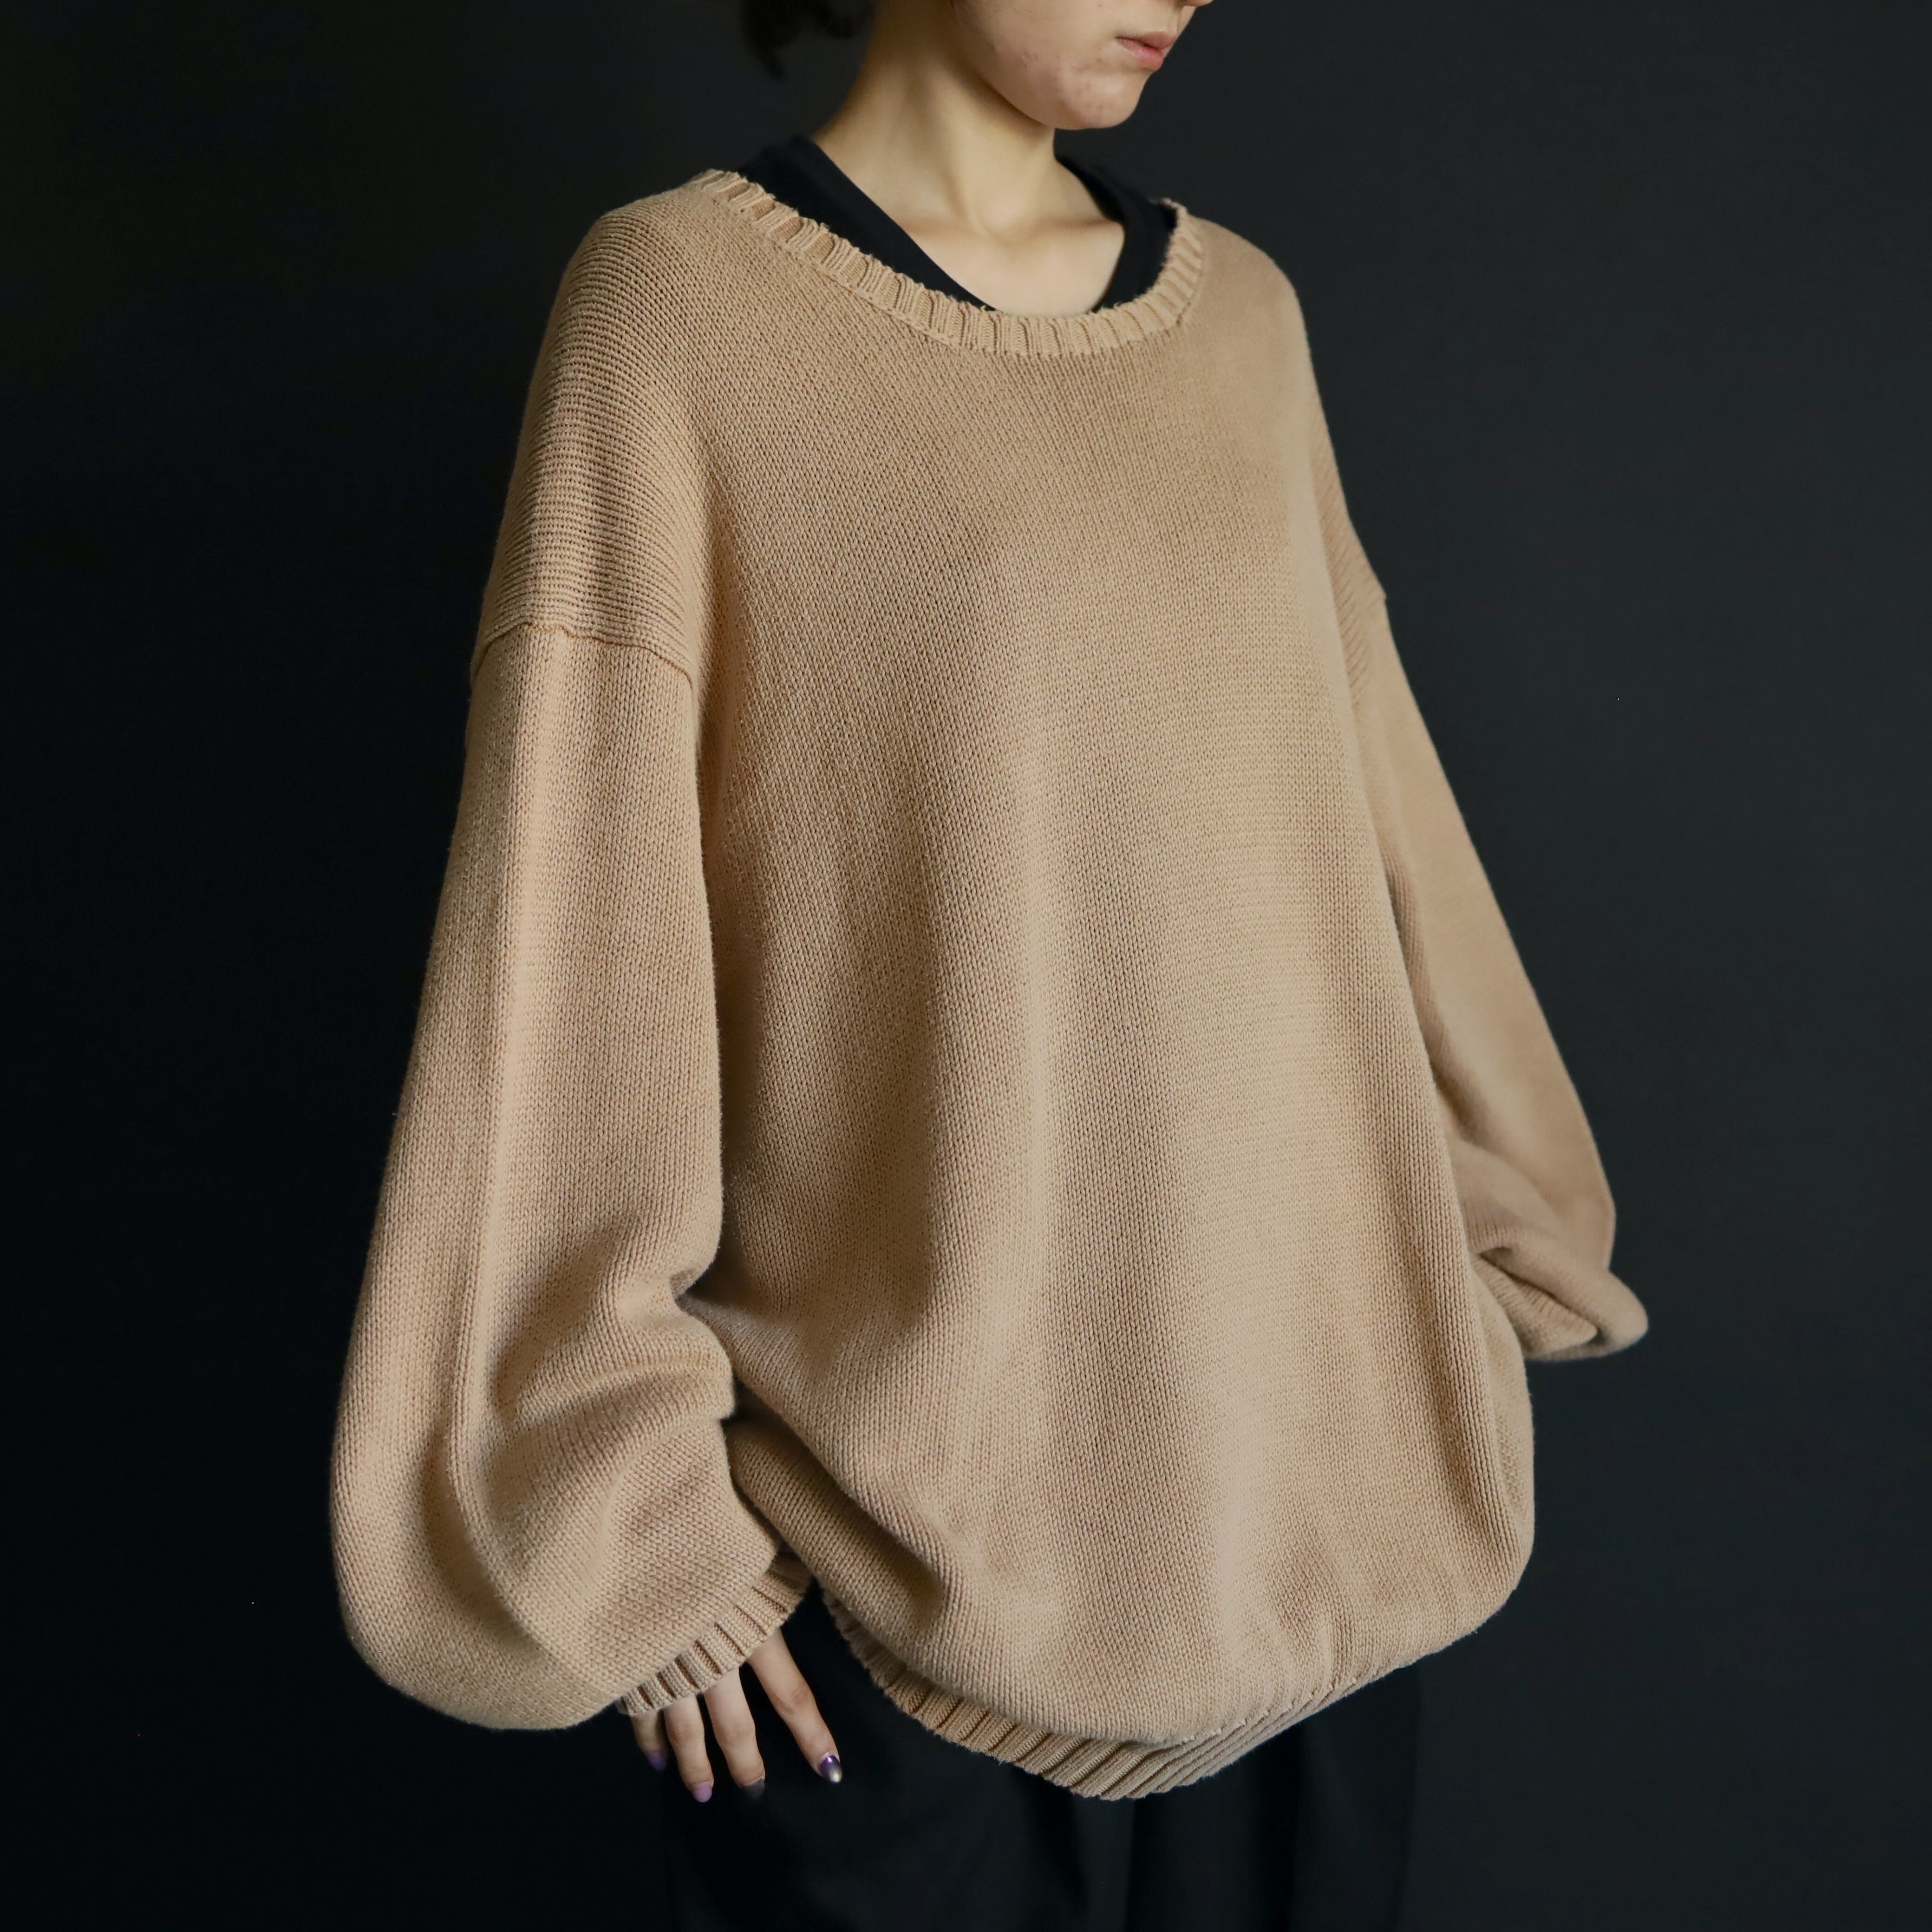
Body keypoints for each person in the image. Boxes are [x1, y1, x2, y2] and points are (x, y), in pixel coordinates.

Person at [328, 2, 1649, 1926]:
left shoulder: (1241, 321)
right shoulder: (679, 309)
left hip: (1313, 1554)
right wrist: (626, 1525)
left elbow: (1376, 838)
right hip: (887, 1602)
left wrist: (1467, 1252)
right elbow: (567, 944)